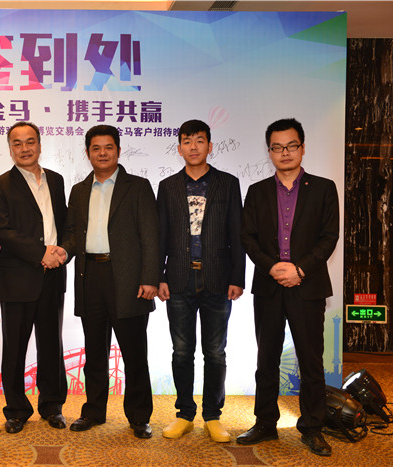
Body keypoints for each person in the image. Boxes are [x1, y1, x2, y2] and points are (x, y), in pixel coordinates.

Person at [237, 118, 339, 457]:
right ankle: (265, 423)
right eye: (277, 147)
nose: (285, 152)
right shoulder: (257, 191)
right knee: (266, 358)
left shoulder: (324, 188)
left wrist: (300, 269)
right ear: (269, 151)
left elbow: (329, 237)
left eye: (291, 146)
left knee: (311, 361)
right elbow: (247, 237)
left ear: (302, 148)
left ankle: (313, 427)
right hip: (269, 286)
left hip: (307, 286)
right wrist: (272, 266)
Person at [59, 124, 159, 439]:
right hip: (91, 276)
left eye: (108, 147)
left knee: (134, 353)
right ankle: (93, 412)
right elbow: (72, 234)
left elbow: (151, 235)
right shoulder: (78, 190)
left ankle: (139, 417)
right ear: (88, 152)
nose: (102, 153)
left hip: (128, 280)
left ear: (118, 150)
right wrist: (62, 251)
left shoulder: (138, 186)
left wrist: (150, 278)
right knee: (94, 352)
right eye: (96, 148)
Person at [157, 119, 245, 442]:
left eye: (199, 140)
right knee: (181, 352)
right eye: (187, 141)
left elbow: (237, 233)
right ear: (179, 148)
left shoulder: (228, 183)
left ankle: (212, 416)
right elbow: (160, 235)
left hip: (218, 279)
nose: (193, 147)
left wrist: (237, 276)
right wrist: (158, 276)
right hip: (178, 279)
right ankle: (184, 414)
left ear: (210, 145)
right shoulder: (167, 186)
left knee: (215, 352)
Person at [0, 121, 68, 434]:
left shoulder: (56, 180)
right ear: (10, 149)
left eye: (30, 141)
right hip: (17, 279)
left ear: (39, 145)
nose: (24, 148)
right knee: (14, 349)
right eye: (17, 143)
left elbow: (64, 223)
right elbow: (1, 231)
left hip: (53, 276)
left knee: (51, 346)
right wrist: (40, 253)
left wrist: (62, 252)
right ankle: (17, 410)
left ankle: (52, 406)